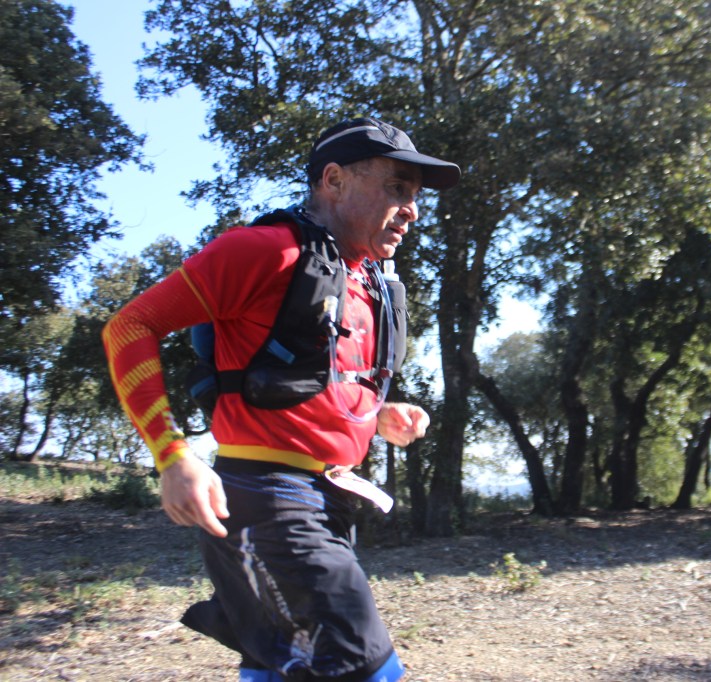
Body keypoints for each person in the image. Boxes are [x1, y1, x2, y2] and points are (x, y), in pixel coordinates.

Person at [103, 117, 460, 682]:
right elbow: (130, 327)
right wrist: (171, 456)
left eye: (415, 195)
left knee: (285, 665)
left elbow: (307, 379)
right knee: (365, 667)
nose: (412, 210)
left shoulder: (363, 280)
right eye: (397, 188)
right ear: (334, 180)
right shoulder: (265, 251)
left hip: (332, 498)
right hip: (268, 499)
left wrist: (375, 415)